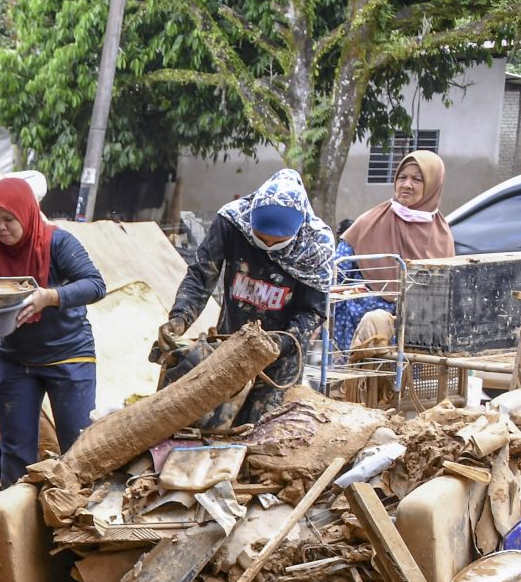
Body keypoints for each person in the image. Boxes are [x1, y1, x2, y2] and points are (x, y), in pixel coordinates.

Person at [158, 168, 335, 426]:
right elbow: (201, 275)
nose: (267, 247)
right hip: (229, 341)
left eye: (277, 243)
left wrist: (279, 342)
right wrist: (180, 316)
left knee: (262, 430)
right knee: (205, 425)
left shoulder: (315, 246)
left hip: (280, 356)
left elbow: (313, 311)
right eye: (261, 240)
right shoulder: (232, 221)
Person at [0, 176, 107, 487]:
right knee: (16, 452)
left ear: (27, 212)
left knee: (78, 449)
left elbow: (95, 285)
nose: (1, 228)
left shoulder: (58, 242)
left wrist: (50, 296)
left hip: (69, 355)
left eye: (9, 219)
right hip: (16, 361)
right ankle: (18, 525)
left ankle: (78, 522)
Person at [332, 150, 453, 348]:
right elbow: (337, 275)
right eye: (402, 177)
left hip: (416, 333)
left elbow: (442, 295)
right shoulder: (369, 222)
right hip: (360, 334)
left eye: (417, 179)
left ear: (432, 185)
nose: (406, 185)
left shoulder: (441, 235)